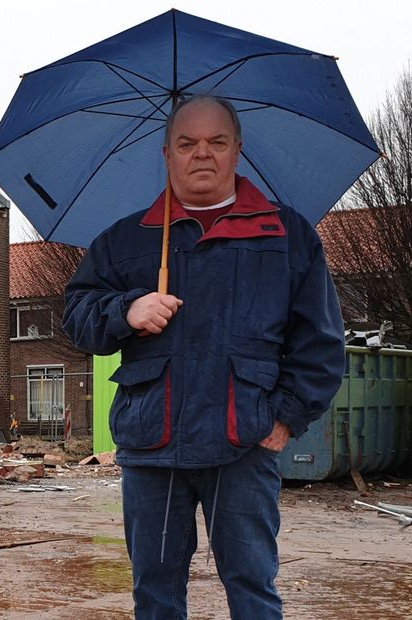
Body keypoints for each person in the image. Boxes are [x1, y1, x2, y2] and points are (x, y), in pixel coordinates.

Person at [63, 95, 345, 619]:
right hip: (154, 447)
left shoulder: (286, 236)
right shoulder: (126, 240)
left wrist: (284, 419)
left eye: (216, 142)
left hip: (243, 444)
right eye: (187, 143)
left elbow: (322, 346)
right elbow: (77, 316)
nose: (202, 154)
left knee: (252, 587)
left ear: (237, 151)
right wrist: (127, 310)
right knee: (155, 592)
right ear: (166, 154)